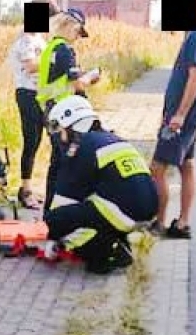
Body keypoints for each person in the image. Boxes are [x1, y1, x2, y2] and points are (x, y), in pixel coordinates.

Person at [43, 95, 158, 274]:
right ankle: (124, 238)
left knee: (58, 220)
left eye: (61, 131)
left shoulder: (81, 147)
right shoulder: (113, 139)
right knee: (91, 208)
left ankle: (107, 252)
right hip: (147, 213)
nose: (61, 138)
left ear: (72, 125)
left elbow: (63, 203)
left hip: (122, 213)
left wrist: (52, 236)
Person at [149, 20, 196, 239]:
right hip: (187, 115)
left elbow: (195, 75)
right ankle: (182, 223)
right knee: (187, 165)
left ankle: (159, 222)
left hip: (181, 117)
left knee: (157, 167)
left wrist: (179, 114)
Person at [36, 7, 101, 210]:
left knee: (57, 161)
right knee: (67, 160)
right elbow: (78, 83)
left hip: (50, 109)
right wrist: (93, 76)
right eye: (77, 32)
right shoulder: (65, 49)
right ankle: (61, 208)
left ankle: (50, 207)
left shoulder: (50, 48)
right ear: (69, 25)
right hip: (63, 113)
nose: (77, 37)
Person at [7, 0, 59, 209]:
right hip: (28, 94)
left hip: (41, 94)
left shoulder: (38, 39)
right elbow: (30, 67)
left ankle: (38, 188)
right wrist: (55, 60)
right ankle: (25, 189)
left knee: (47, 140)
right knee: (32, 140)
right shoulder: (26, 41)